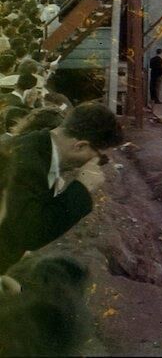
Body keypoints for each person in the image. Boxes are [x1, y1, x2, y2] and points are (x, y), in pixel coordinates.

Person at [0, 103, 123, 274]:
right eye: (101, 159)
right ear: (80, 146)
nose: (98, 165)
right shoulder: (26, 163)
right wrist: (82, 188)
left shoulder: (39, 148)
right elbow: (29, 234)